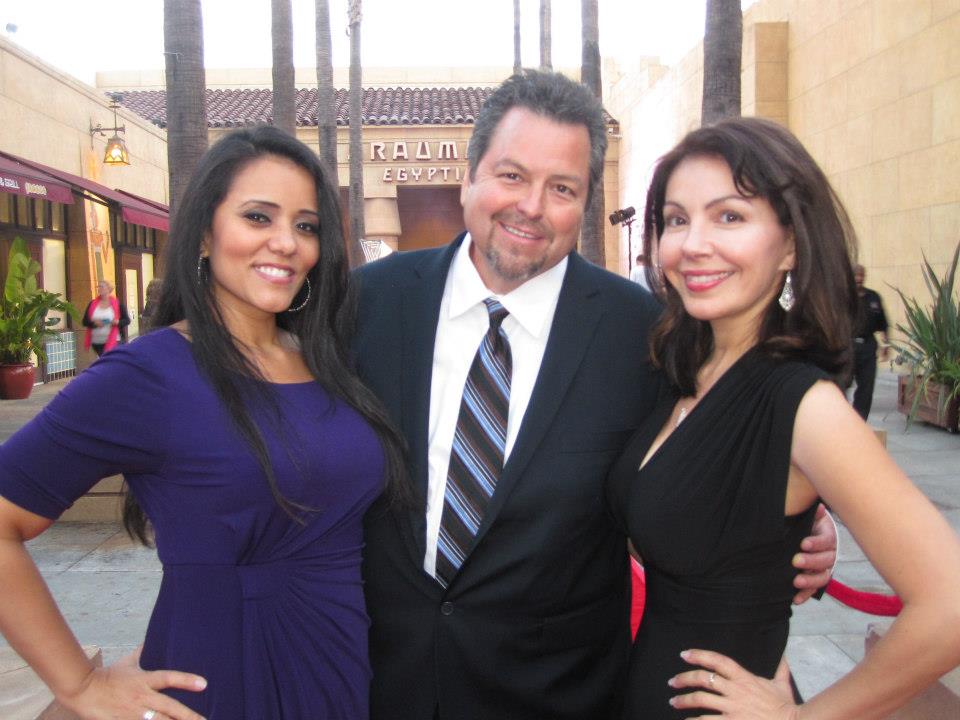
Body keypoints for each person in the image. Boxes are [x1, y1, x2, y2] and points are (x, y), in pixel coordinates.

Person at [354, 70, 836, 720]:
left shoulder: (648, 336)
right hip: (378, 687)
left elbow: (702, 462)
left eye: (562, 188)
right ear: (468, 178)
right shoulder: (363, 306)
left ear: (583, 205)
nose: (531, 206)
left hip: (561, 698)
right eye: (512, 175)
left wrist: (789, 521)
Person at [0, 127, 406, 719]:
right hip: (222, 674)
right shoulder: (149, 374)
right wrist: (81, 686)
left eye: (305, 225)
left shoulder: (329, 364)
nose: (285, 243)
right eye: (258, 217)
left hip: (342, 665)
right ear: (204, 236)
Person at [606, 117, 960, 719]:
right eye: (677, 218)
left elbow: (949, 605)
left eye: (730, 217)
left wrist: (804, 719)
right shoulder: (683, 371)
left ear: (791, 243)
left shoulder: (804, 404)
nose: (693, 243)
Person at [850, 264, 890, 420]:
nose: (859, 279)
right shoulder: (843, 297)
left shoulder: (873, 297)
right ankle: (840, 419)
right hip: (848, 346)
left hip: (868, 346)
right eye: (856, 275)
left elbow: (883, 323)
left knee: (866, 388)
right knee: (840, 385)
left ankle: (859, 420)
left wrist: (886, 345)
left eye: (861, 275)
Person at [82, 279, 130, 356]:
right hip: (97, 342)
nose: (99, 288)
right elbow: (85, 321)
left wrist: (117, 322)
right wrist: (94, 323)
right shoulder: (92, 304)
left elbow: (127, 320)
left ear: (108, 289)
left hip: (114, 340)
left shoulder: (118, 304)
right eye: (98, 287)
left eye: (102, 287)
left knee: (110, 361)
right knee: (105, 360)